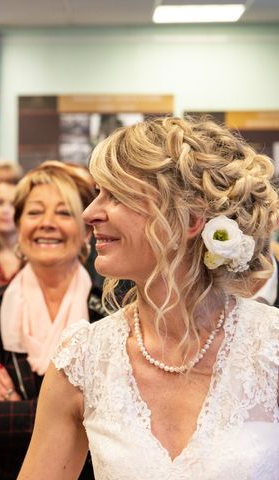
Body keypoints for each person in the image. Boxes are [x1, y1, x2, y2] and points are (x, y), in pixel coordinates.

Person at [19, 117, 279, 480]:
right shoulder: (82, 360)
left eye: (116, 195)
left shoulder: (271, 348)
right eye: (97, 194)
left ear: (189, 218)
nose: (90, 213)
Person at [0, 161, 105, 480]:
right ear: (18, 225)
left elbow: (114, 421)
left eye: (64, 213)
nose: (47, 224)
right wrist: (77, 411)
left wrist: (17, 403)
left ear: (86, 232)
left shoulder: (107, 310)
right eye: (35, 212)